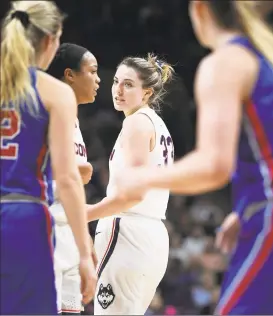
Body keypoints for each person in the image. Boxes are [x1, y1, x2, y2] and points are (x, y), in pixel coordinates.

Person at [115, 1, 273, 315]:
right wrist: (245, 207)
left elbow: (213, 165)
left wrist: (138, 178)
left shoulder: (226, 63)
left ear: (198, 9)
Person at [0, 2, 97, 315]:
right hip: (25, 216)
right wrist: (85, 253)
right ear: (51, 41)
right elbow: (68, 179)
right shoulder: (54, 92)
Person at [86, 54, 174, 315]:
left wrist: (82, 214)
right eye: (116, 82)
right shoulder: (159, 126)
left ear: (146, 93)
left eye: (128, 84)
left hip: (128, 231)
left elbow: (132, 195)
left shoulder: (136, 123)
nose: (118, 90)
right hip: (152, 235)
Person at [47, 43, 100, 315]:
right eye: (92, 71)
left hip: (69, 231)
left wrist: (86, 241)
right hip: (47, 228)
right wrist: (68, 170)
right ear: (70, 75)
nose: (98, 79)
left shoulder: (74, 119)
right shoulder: (46, 110)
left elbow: (75, 189)